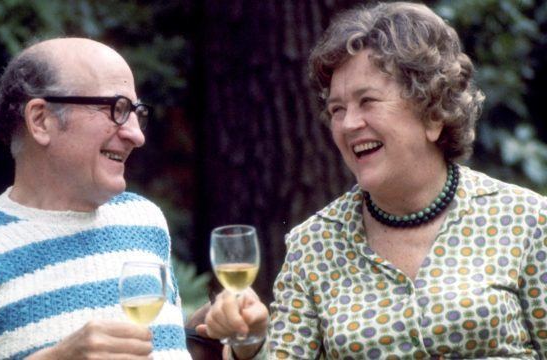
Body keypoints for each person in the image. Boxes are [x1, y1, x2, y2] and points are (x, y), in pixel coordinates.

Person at [200, 2, 547, 359]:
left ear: (433, 114)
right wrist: (249, 341)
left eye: (368, 101)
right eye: (337, 109)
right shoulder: (313, 247)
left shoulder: (527, 221)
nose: (349, 123)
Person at [0, 37, 193, 359]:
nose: (137, 136)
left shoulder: (145, 222)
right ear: (41, 120)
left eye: (135, 112)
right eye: (117, 109)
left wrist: (224, 340)